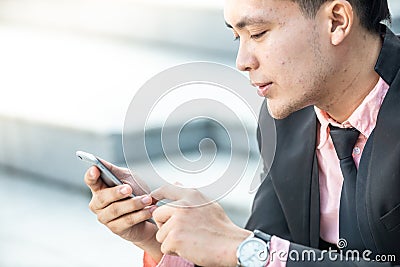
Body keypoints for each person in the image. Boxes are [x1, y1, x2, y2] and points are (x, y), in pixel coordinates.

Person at [83, 0, 400, 266]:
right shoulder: (287, 118)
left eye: (258, 33)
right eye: (238, 38)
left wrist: (245, 247)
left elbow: (259, 252)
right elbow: (261, 250)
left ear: (336, 21)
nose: (242, 62)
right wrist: (164, 239)